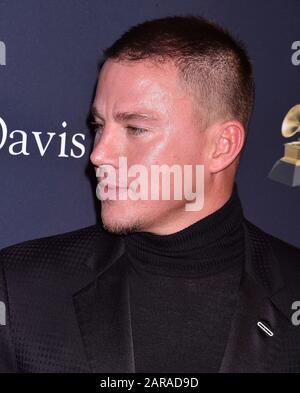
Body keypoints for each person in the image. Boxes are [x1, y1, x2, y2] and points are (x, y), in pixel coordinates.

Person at [1, 15, 300, 373]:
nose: (98, 154)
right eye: (99, 126)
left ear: (222, 145)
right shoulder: (21, 290)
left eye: (136, 128)